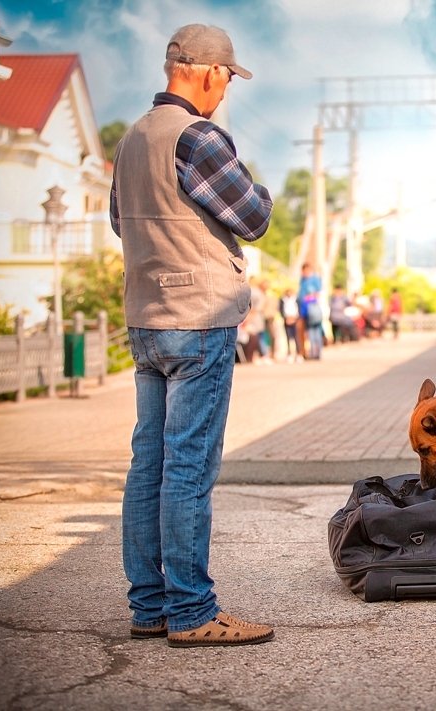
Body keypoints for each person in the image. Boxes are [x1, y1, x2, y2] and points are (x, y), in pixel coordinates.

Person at [110, 23, 275, 647]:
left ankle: (150, 606)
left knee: (148, 464)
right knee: (187, 467)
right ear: (207, 71)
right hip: (199, 319)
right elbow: (253, 216)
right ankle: (192, 611)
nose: (226, 90)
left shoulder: (132, 138)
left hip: (146, 316)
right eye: (228, 77)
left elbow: (120, 221)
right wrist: (254, 190)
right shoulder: (197, 136)